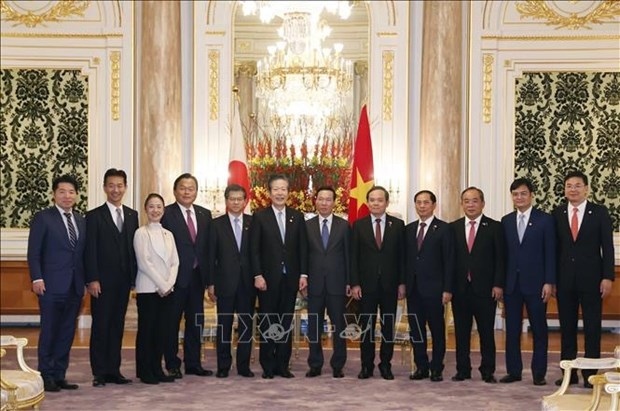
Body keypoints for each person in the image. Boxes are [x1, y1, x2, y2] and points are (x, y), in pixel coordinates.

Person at [552, 170, 615, 388]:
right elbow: (554, 249)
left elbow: (607, 247)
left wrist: (607, 277)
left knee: (592, 328)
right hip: (564, 281)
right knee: (566, 328)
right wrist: (552, 279)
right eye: (569, 185)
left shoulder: (599, 212)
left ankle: (590, 374)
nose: (573, 189)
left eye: (578, 185)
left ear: (586, 188)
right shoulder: (557, 213)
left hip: (592, 280)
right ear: (564, 189)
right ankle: (568, 373)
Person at [27, 175, 86, 392]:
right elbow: (34, 252)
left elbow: (82, 255)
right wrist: (37, 278)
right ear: (54, 194)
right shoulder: (43, 218)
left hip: (74, 286)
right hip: (50, 285)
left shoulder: (81, 220)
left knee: (67, 332)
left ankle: (60, 374)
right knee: (50, 331)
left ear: (76, 195)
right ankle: (46, 374)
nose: (67, 196)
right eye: (62, 191)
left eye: (71, 192)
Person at [85, 168, 138, 387]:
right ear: (105, 187)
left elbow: (134, 249)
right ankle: (99, 372)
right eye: (111, 185)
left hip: (124, 281)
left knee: (117, 326)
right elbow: (90, 250)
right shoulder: (94, 216)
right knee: (101, 326)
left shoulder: (133, 215)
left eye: (120, 185)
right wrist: (92, 278)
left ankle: (114, 370)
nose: (116, 189)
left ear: (125, 187)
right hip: (102, 282)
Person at [251, 174, 308, 379]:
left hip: (290, 279)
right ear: (269, 192)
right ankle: (267, 365)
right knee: (267, 322)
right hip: (267, 279)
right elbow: (254, 250)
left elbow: (302, 248)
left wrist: (303, 274)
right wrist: (257, 275)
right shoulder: (260, 216)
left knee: (285, 322)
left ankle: (283, 365)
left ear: (288, 191)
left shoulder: (297, 216)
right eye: (276, 189)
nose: (280, 193)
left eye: (283, 189)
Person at [500, 178, 555, 386]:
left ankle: (538, 373)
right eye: (515, 194)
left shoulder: (545, 220)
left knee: (539, 329)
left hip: (537, 285)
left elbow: (550, 253)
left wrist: (549, 281)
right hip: (511, 285)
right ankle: (514, 371)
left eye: (523, 193)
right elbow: (503, 256)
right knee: (512, 330)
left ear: (531, 195)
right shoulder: (505, 221)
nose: (519, 197)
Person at [450, 187, 505, 384]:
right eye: (466, 201)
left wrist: (498, 284)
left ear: (482, 203)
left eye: (474, 201)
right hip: (460, 290)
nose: (470, 204)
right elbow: (450, 261)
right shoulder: (453, 227)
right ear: (462, 204)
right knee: (461, 333)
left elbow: (501, 259)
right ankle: (462, 369)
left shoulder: (495, 227)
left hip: (486, 290)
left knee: (486, 333)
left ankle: (487, 370)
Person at [350, 186, 406, 380]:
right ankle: (366, 366)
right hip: (366, 286)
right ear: (367, 203)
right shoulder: (358, 225)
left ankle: (385, 365)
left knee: (388, 327)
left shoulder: (398, 225)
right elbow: (353, 258)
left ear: (386, 203)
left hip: (390, 286)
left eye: (379, 200)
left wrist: (402, 283)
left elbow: (402, 257)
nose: (375, 203)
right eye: (372, 200)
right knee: (366, 327)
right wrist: (355, 283)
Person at [161, 173, 213, 378]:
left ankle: (193, 363)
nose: (186, 192)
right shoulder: (166, 213)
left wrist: (210, 281)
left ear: (196, 191)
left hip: (197, 278)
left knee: (195, 322)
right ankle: (172, 363)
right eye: (182, 188)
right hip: (174, 278)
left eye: (190, 188)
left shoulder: (204, 214)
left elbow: (208, 249)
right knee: (171, 323)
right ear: (175, 191)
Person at [405, 190, 454, 382]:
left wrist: (447, 289)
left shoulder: (444, 229)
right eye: (418, 202)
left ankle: (436, 368)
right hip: (413, 289)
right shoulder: (408, 230)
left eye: (426, 202)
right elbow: (405, 261)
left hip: (435, 290)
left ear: (434, 205)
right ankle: (421, 367)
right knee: (416, 331)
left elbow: (449, 261)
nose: (422, 206)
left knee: (437, 330)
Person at [207, 184, 256, 378]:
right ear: (226, 201)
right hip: (224, 283)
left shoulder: (253, 223)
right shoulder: (216, 224)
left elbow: (257, 254)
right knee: (224, 326)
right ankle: (223, 366)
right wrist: (211, 283)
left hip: (247, 284)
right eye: (232, 199)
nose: (236, 202)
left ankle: (244, 366)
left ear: (245, 202)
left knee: (246, 326)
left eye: (239, 199)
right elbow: (211, 256)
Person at [303, 186, 351, 379]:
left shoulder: (344, 225)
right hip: (314, 284)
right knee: (314, 326)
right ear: (316, 201)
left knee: (339, 326)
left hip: (337, 284)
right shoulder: (307, 226)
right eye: (320, 199)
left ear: (334, 202)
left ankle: (338, 365)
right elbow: (303, 255)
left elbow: (349, 255)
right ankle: (315, 364)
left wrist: (349, 281)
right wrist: (303, 277)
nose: (324, 203)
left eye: (328, 199)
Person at [133, 193, 178, 384]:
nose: (155, 210)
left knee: (162, 331)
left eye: (159, 206)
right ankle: (145, 371)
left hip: (167, 290)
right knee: (147, 331)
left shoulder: (169, 234)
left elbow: (175, 262)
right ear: (146, 210)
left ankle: (157, 369)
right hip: (148, 289)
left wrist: (168, 285)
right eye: (151, 206)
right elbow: (144, 263)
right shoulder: (140, 233)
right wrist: (162, 284)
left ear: (163, 209)